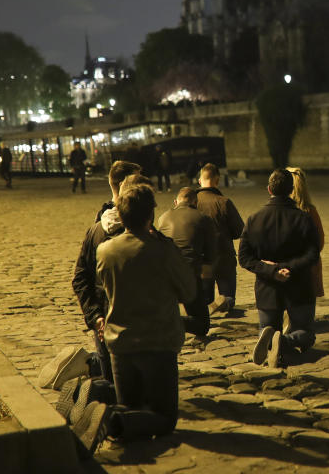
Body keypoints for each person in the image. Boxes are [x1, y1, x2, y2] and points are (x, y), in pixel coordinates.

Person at [67, 181, 196, 453]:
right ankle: (110, 419)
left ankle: (96, 394)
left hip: (120, 342)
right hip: (158, 342)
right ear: (150, 215)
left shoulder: (106, 250)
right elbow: (189, 291)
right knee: (164, 418)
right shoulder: (163, 250)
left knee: (132, 407)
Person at [67, 161, 143, 386]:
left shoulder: (96, 228)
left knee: (114, 382)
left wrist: (95, 317)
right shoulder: (141, 232)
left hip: (105, 321)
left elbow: (81, 278)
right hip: (132, 324)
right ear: (125, 186)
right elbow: (82, 277)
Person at [238, 169, 320, 368]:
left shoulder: (254, 219)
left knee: (266, 329)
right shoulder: (303, 218)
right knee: (306, 333)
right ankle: (284, 341)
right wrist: (287, 268)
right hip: (298, 285)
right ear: (291, 190)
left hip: (267, 287)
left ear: (269, 189)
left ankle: (272, 342)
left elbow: (244, 258)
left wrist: (272, 271)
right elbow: (312, 255)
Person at [155, 187, 220, 337]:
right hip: (189, 275)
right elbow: (211, 255)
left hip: (165, 274)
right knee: (202, 325)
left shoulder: (163, 217)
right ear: (195, 202)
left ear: (176, 202)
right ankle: (167, 321)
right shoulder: (203, 218)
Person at [195, 163, 244, 314]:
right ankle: (225, 304)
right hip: (224, 257)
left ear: (199, 180)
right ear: (217, 180)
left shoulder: (191, 201)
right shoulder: (224, 202)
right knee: (229, 298)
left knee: (205, 301)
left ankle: (209, 311)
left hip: (201, 259)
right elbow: (239, 231)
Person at [287, 167, 325, 301]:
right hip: (309, 265)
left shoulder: (282, 211)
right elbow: (320, 241)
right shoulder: (310, 211)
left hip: (286, 266)